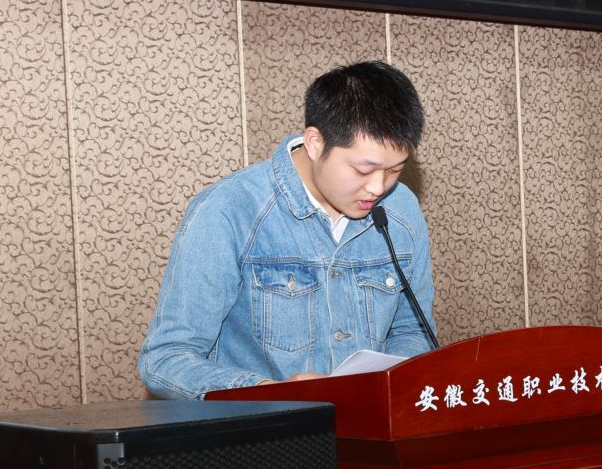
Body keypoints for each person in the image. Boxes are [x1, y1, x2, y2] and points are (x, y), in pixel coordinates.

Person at [139, 61, 436, 399]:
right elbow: (165, 360)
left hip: (368, 426)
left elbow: (413, 332)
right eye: (363, 170)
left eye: (395, 170)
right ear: (315, 142)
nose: (378, 187)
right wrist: (269, 393)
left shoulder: (400, 209)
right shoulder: (229, 210)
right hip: (264, 427)